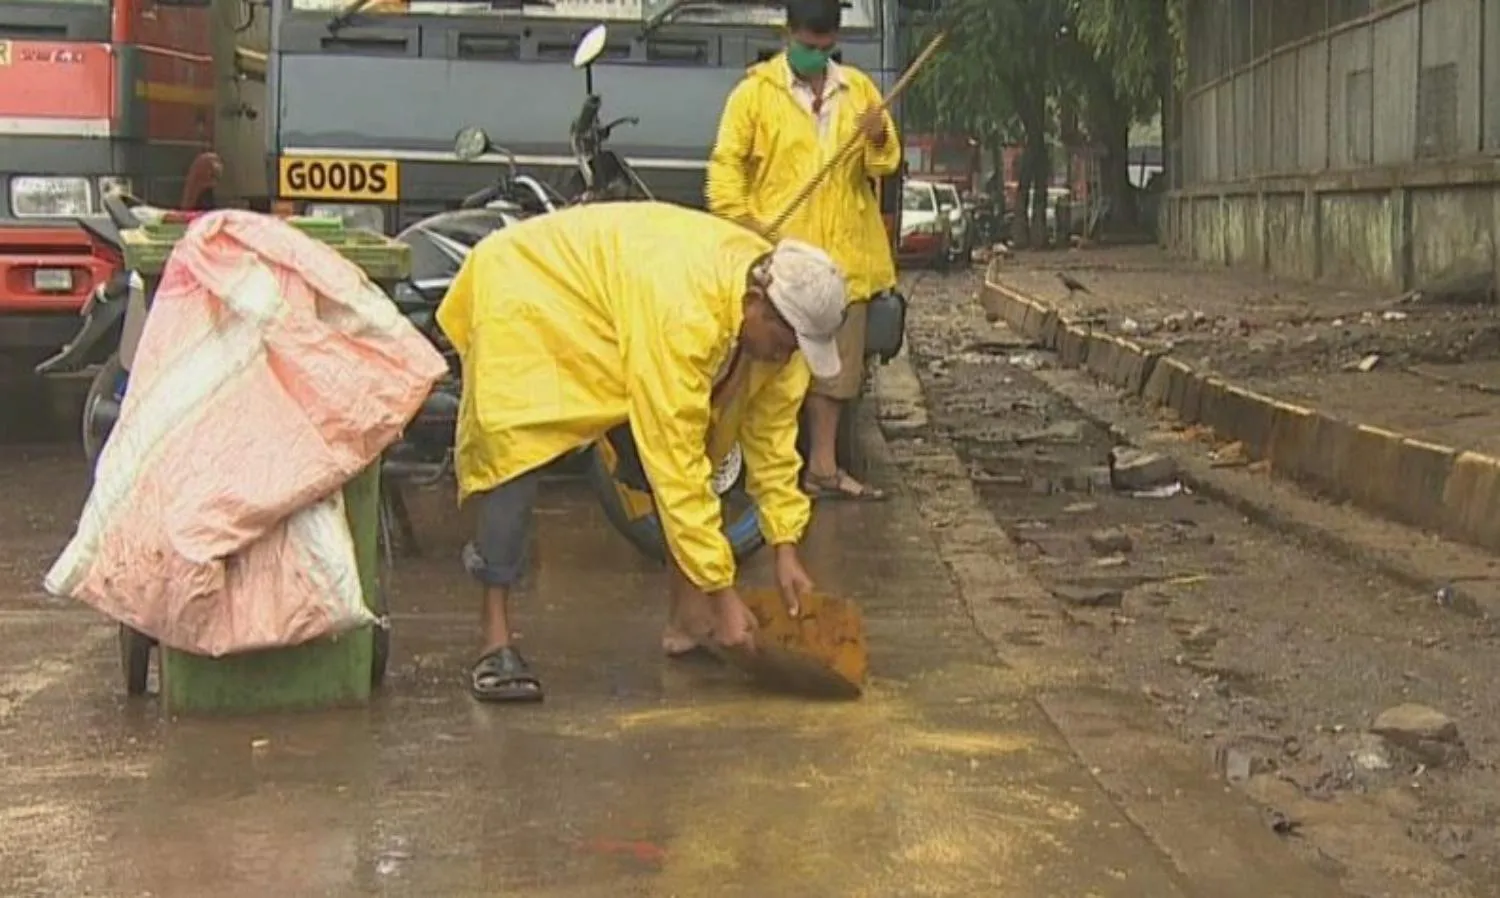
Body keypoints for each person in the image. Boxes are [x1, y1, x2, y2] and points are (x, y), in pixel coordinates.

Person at [436, 201, 849, 703]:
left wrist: (785, 545)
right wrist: (724, 591)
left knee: (702, 450)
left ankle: (689, 619)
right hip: (531, 297)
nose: (786, 357)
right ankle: (494, 641)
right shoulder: (685, 311)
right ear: (754, 302)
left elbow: (773, 442)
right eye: (785, 342)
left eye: (799, 349)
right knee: (515, 454)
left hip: (615, 308)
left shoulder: (779, 331)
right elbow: (675, 463)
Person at [706, 0, 900, 501]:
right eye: (807, 47)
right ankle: (745, 468)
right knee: (767, 367)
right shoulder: (754, 95)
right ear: (788, 33)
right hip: (780, 256)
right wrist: (741, 226)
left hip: (844, 257)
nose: (816, 56)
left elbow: (883, 165)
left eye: (824, 48)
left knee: (834, 376)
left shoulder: (858, 91)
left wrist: (878, 138)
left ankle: (822, 468)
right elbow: (727, 166)